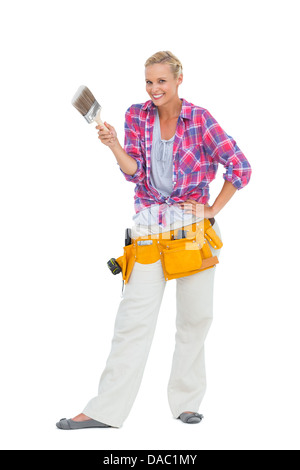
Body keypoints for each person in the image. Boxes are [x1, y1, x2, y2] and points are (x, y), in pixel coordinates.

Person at [56, 51, 251, 430]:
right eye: (149, 81)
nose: (154, 88)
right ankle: (104, 411)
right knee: (132, 321)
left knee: (195, 319)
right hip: (148, 231)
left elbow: (240, 166)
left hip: (192, 234)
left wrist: (212, 210)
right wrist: (114, 145)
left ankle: (186, 403)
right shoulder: (136, 115)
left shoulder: (200, 120)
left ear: (179, 80)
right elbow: (136, 174)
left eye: (161, 80)